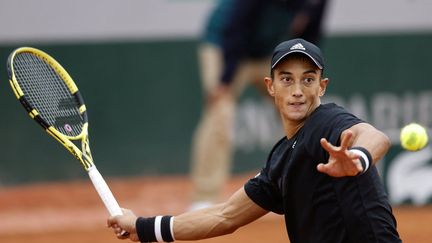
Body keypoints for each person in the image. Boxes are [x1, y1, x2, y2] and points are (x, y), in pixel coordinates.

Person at [108, 38, 402, 243]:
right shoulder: (280, 160)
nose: (298, 90)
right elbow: (225, 216)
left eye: (308, 79)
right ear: (270, 86)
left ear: (322, 87)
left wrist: (358, 159)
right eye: (287, 79)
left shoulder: (328, 122)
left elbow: (375, 136)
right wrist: (142, 227)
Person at [189, 0, 329, 210]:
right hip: (225, 47)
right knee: (220, 115)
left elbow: (311, 33)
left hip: (265, 52)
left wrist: (303, 75)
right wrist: (225, 80)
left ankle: (312, 187)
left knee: (307, 110)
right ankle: (204, 197)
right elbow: (237, 28)